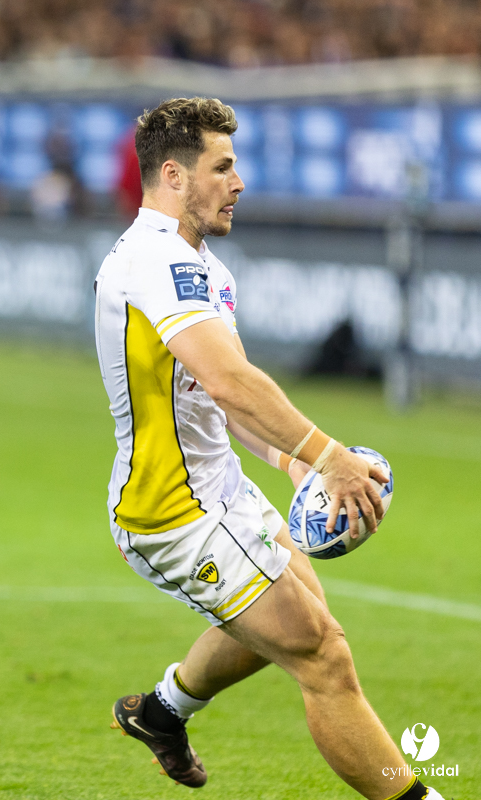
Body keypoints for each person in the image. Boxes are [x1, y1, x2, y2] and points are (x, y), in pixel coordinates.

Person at [96, 97, 444, 800]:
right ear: (173, 174)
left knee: (298, 615)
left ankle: (163, 712)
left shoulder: (205, 269)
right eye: (222, 166)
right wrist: (331, 458)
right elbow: (230, 380)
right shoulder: (154, 260)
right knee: (323, 654)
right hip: (173, 511)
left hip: (219, 490)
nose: (239, 180)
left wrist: (292, 464)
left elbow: (225, 400)